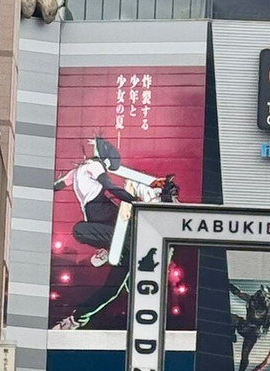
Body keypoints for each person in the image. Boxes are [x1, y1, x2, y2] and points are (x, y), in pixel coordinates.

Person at [52, 136, 180, 330]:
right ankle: (76, 319)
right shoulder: (87, 168)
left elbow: (112, 187)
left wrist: (134, 201)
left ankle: (110, 247)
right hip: (120, 234)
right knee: (111, 290)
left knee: (80, 231)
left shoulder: (95, 168)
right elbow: (59, 185)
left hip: (126, 232)